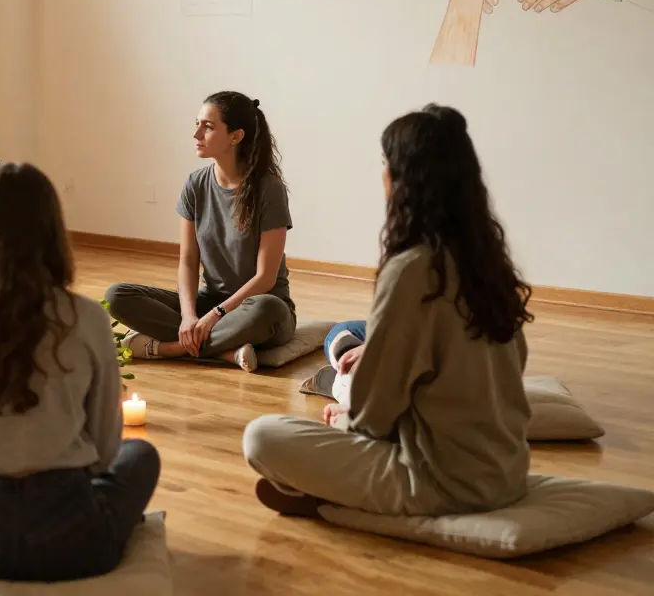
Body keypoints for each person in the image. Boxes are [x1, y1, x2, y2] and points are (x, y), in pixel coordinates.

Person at [242, 104, 534, 518]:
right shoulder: (486, 260)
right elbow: (508, 364)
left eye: (384, 163)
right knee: (352, 347)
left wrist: (346, 419)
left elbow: (373, 417)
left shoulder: (412, 269)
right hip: (508, 471)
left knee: (262, 435)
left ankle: (336, 490)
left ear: (405, 179)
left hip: (443, 483)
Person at [0, 162, 161, 582]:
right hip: (72, 541)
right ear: (53, 231)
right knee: (141, 455)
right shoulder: (88, 317)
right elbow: (104, 448)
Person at [104, 91, 295, 372]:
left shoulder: (269, 189)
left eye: (208, 126)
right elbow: (188, 261)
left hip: (257, 309)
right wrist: (189, 316)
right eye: (197, 124)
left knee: (267, 309)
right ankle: (222, 352)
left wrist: (214, 317)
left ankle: (167, 349)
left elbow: (265, 278)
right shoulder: (195, 184)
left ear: (236, 136)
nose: (196, 134)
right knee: (116, 296)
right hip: (209, 302)